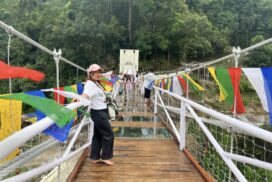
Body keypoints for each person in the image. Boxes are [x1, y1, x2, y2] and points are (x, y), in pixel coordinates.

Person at [82, 64, 114, 166]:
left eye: (99, 72)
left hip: (101, 111)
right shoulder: (90, 84)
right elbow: (86, 94)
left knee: (98, 135)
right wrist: (79, 98)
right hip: (98, 113)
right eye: (96, 72)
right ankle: (105, 157)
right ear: (90, 73)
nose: (98, 74)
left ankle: (95, 157)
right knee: (109, 135)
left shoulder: (96, 83)